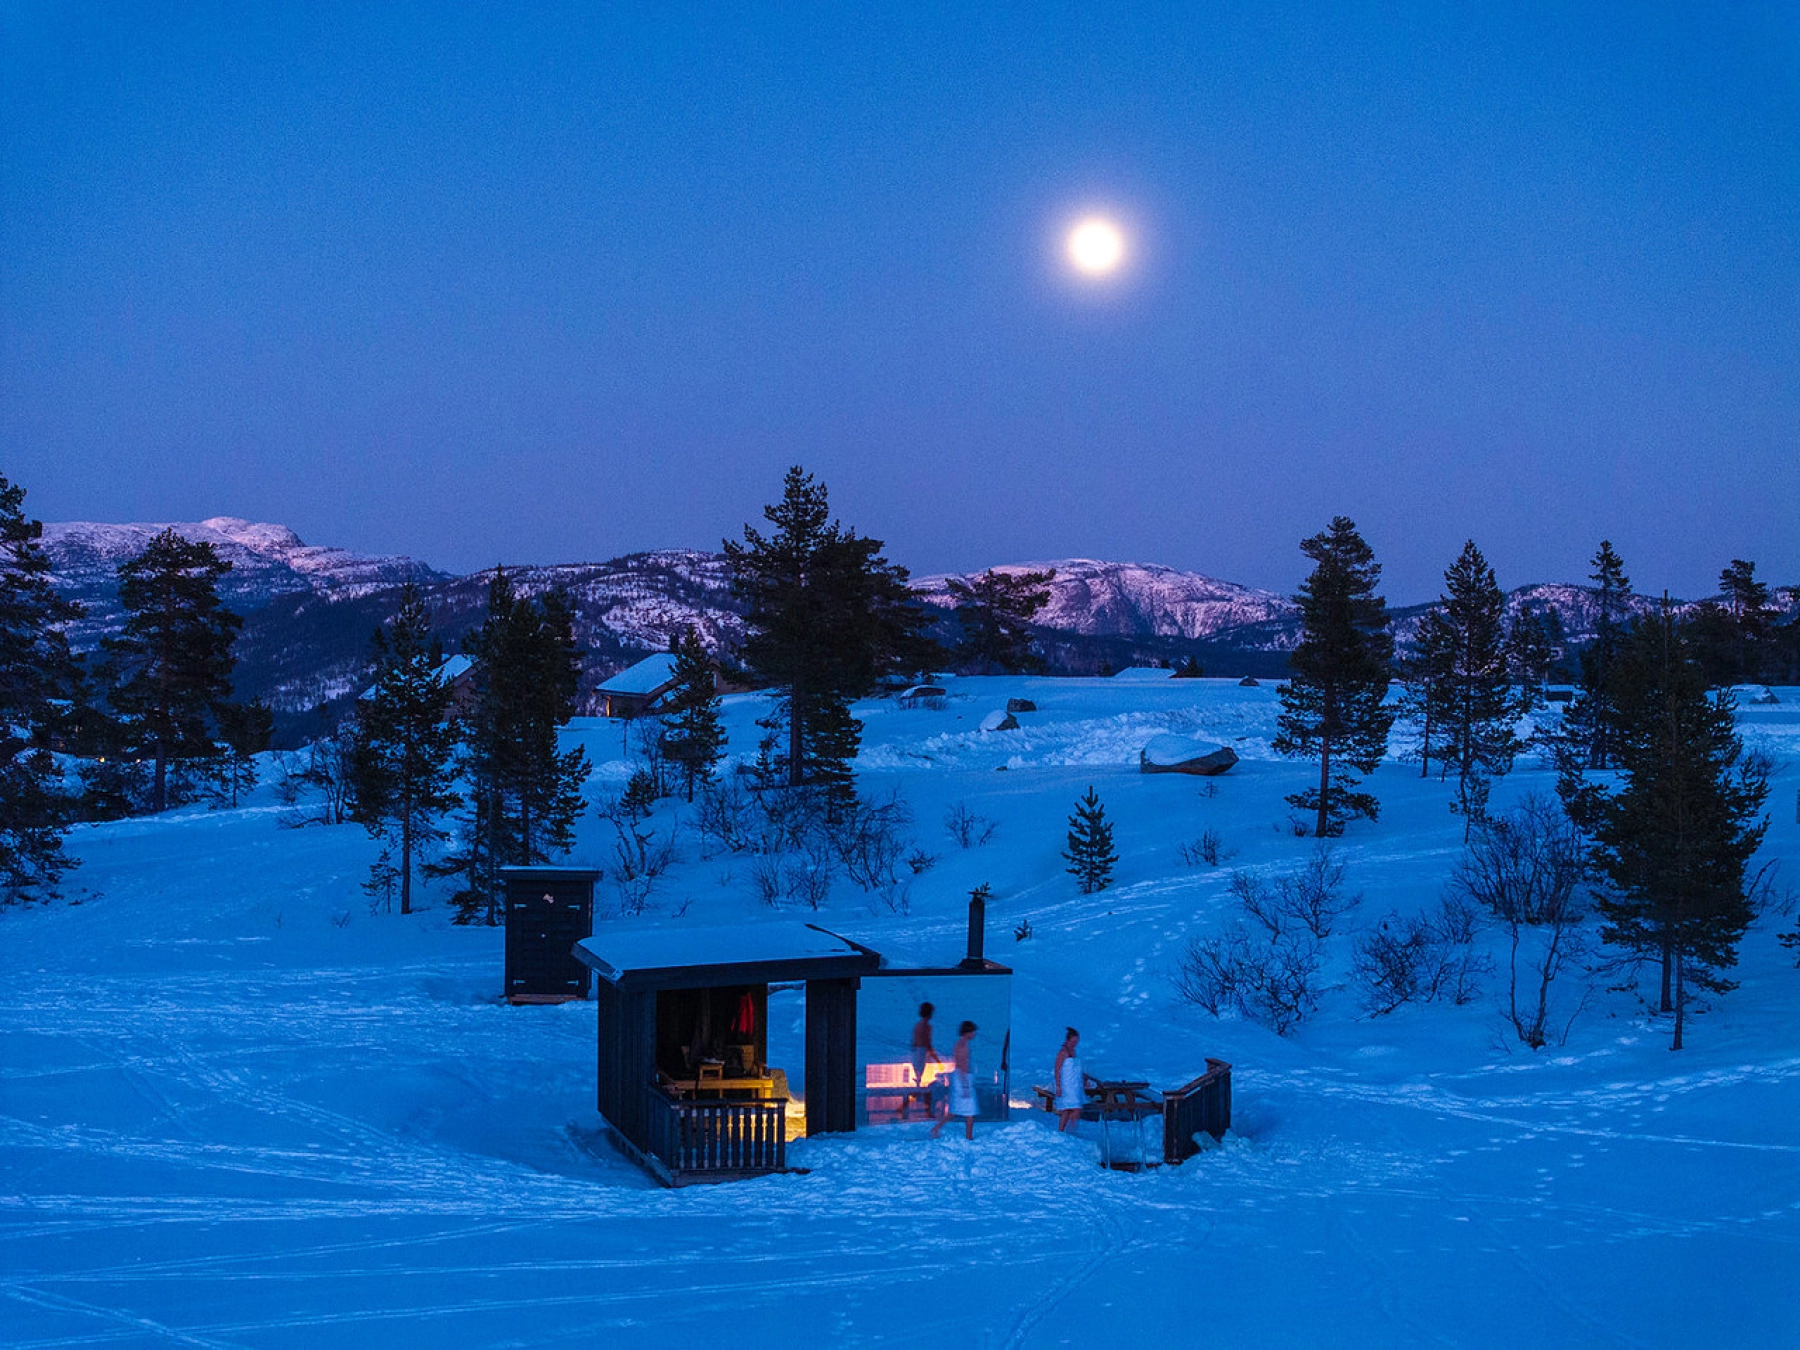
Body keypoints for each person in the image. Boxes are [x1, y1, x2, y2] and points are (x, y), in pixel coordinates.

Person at [931, 1021, 979, 1140]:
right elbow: (962, 1065)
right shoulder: (962, 1046)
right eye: (973, 1031)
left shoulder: (961, 1044)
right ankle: (969, 1137)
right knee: (969, 1111)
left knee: (955, 1110)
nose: (974, 1034)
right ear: (968, 1032)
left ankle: (936, 1128)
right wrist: (965, 1085)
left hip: (961, 1078)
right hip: (962, 1078)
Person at [903, 1002, 940, 1120]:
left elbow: (916, 1043)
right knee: (920, 1078)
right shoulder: (926, 1027)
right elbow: (927, 1044)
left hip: (917, 1052)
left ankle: (924, 1109)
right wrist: (937, 1059)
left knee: (919, 1077)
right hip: (920, 1052)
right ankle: (926, 1111)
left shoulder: (918, 1026)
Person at [1052, 1026, 1092, 1133]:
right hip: (1067, 1085)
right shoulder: (1062, 1052)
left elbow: (1077, 1070)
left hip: (1075, 1084)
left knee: (1068, 1109)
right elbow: (1057, 1069)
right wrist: (1058, 1086)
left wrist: (1084, 1081)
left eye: (1076, 1041)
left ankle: (1062, 1131)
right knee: (1075, 1108)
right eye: (1073, 1041)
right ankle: (1070, 1130)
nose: (1075, 1043)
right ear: (1068, 1040)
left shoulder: (1074, 1052)